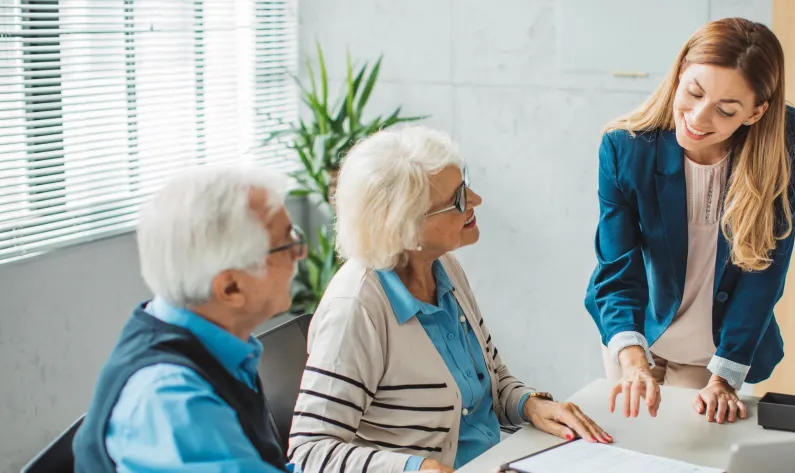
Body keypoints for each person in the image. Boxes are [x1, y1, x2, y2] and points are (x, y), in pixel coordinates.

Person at [288, 126, 610, 473]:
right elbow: (310, 451)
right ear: (405, 228)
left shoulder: (443, 268)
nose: (475, 200)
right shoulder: (356, 309)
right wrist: (417, 469)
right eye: (457, 199)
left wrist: (530, 405)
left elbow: (490, 380)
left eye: (465, 185)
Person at [584, 17, 795, 425]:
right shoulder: (625, 147)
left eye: (726, 110)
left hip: (717, 352)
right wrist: (633, 360)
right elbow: (617, 269)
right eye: (694, 92)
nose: (699, 118)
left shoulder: (785, 138)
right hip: (639, 335)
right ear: (680, 72)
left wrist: (724, 377)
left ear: (756, 112)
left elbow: (766, 267)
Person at [73, 165, 306, 472]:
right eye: (287, 243)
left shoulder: (211, 342)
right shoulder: (172, 401)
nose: (300, 254)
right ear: (231, 287)